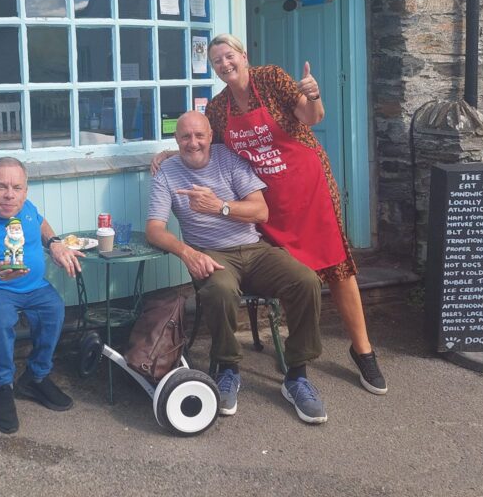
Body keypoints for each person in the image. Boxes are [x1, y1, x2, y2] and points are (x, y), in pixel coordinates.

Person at [154, 33, 386, 395]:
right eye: (217, 61)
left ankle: (363, 351)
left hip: (310, 191)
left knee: (337, 267)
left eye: (229, 56)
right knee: (289, 274)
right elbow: (202, 146)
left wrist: (313, 95)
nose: (225, 64)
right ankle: (291, 359)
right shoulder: (217, 108)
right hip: (265, 203)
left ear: (243, 56)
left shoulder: (271, 78)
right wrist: (170, 154)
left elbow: (311, 117)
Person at [146, 111, 328, 424]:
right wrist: (186, 252)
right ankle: (228, 369)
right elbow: (154, 229)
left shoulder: (228, 159)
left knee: (306, 281)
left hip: (255, 250)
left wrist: (219, 205)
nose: (194, 143)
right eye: (186, 137)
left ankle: (297, 376)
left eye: (200, 135)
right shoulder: (167, 173)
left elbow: (261, 211)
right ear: (176, 140)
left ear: (210, 136)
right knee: (219, 289)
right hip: (211, 253)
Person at [0, 156, 84, 434]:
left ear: (25, 191)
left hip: (34, 287)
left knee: (55, 310)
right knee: (1, 321)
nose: (9, 195)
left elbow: (40, 223)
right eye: (1, 187)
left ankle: (36, 378)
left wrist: (55, 244)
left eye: (17, 187)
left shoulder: (26, 209)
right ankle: (2, 385)